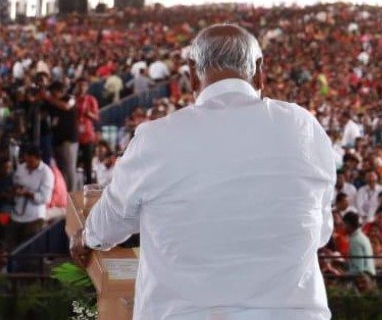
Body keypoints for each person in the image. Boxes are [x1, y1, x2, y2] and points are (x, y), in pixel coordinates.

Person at [75, 24, 338, 319]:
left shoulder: (157, 138)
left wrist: (87, 237)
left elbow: (111, 221)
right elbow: (320, 232)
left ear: (191, 73)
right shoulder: (304, 128)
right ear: (260, 70)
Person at [5, 145, 53, 249]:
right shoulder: (21, 168)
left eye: (31, 162)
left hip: (34, 217)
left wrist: (28, 194)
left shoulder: (46, 173)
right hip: (17, 214)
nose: (28, 165)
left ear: (38, 159)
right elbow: (15, 183)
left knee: (29, 249)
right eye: (27, 161)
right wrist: (15, 189)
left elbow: (46, 198)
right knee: (11, 248)